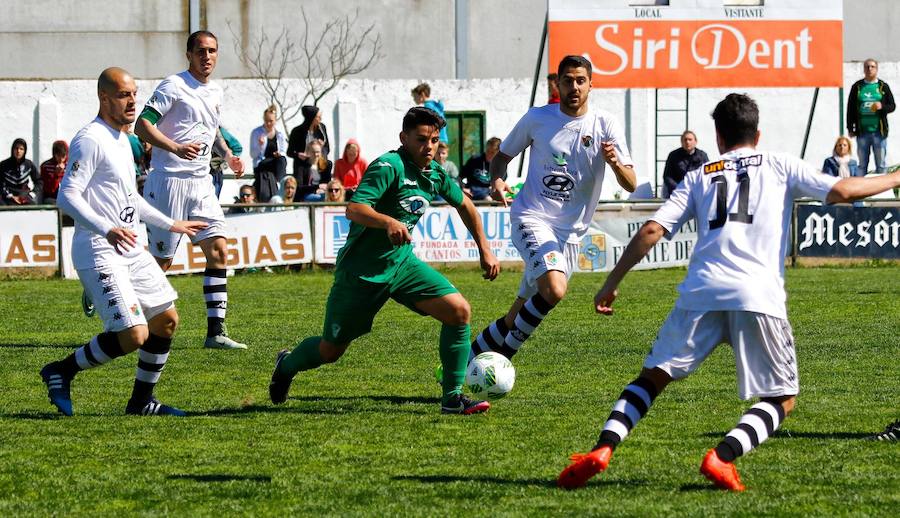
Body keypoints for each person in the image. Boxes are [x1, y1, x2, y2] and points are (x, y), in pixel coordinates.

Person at [557, 93, 900, 492]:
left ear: (718, 137)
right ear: (758, 133)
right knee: (781, 399)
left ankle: (602, 449)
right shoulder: (778, 164)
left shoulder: (700, 174)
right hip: (757, 295)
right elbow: (843, 191)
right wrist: (894, 178)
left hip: (700, 292)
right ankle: (721, 457)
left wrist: (610, 283)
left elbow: (652, 230)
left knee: (650, 379)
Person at [268, 107, 501, 415]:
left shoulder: (434, 174)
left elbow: (466, 204)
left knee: (459, 312)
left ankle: (452, 398)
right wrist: (387, 221)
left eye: (433, 140)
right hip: (362, 274)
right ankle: (286, 365)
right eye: (421, 139)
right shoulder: (388, 166)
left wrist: (484, 248)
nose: (428, 147)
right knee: (330, 350)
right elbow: (355, 209)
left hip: (402, 266)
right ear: (403, 138)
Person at [40, 67, 207, 417]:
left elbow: (131, 199)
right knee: (134, 334)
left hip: (129, 247)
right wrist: (107, 229)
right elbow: (66, 197)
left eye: (134, 94)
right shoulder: (90, 138)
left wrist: (172, 223)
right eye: (123, 95)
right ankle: (61, 371)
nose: (132, 101)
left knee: (167, 320)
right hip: (99, 249)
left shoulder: (122, 140)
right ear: (104, 98)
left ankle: (142, 402)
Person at [470, 55, 636, 362]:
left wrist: (613, 163)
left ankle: (465, 360)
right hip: (531, 217)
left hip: (569, 233)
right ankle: (502, 361)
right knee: (555, 289)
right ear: (556, 83)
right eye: (567, 80)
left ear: (591, 84)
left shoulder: (605, 124)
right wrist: (496, 181)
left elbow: (630, 183)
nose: (574, 87)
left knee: (517, 314)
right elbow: (501, 157)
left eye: (580, 80)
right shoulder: (537, 118)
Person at [135, 30, 249, 350]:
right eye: (201, 51)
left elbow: (212, 131)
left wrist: (227, 156)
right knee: (161, 265)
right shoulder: (174, 85)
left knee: (219, 251)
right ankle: (114, 285)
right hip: (168, 181)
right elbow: (142, 124)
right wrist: (174, 146)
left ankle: (215, 332)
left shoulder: (216, 92)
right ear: (189, 54)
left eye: (212, 51)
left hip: (200, 183)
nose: (207, 56)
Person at [847, 59, 895, 175]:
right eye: (867, 67)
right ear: (864, 69)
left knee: (881, 164)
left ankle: (882, 191)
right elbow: (850, 108)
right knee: (862, 165)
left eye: (872, 67)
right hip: (862, 132)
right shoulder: (857, 87)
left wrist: (881, 106)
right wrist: (850, 128)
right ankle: (861, 192)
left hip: (879, 132)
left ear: (877, 69)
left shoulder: (883, 86)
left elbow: (892, 106)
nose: (870, 69)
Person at [250, 105, 288, 202]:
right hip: (261, 163)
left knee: (282, 159)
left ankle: (280, 183)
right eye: (266, 120)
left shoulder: (280, 133)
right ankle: (279, 184)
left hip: (275, 164)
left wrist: (279, 153)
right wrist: (260, 145)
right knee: (279, 161)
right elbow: (253, 155)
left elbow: (283, 151)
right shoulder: (256, 132)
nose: (268, 123)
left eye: (271, 121)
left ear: (275, 120)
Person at [662, 130, 709, 198]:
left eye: (690, 140)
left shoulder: (702, 156)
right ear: (681, 142)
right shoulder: (673, 156)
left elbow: (707, 175)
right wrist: (679, 189)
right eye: (685, 140)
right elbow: (667, 176)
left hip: (697, 192)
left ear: (695, 142)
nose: (687, 142)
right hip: (677, 192)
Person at [288, 105, 331, 176]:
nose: (320, 119)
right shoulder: (297, 131)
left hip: (318, 161)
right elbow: (289, 152)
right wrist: (298, 155)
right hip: (303, 163)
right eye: (318, 117)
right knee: (300, 167)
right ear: (311, 118)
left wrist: (322, 147)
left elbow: (327, 148)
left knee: (328, 164)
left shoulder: (322, 128)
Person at [0, 138, 41, 205]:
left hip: (24, 196)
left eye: (21, 149)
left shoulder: (29, 164)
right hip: (8, 197)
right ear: (12, 149)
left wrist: (32, 194)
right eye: (16, 148)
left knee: (33, 207)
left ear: (25, 151)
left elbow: (39, 181)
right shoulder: (3, 165)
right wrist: (10, 196)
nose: (18, 151)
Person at [209, 126, 243, 198]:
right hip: (198, 172)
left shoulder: (220, 131)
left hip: (214, 173)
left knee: (212, 200)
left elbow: (237, 148)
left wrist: (228, 160)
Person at [39, 140, 68, 204]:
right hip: (52, 198)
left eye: (63, 156)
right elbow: (49, 190)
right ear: (54, 154)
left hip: (68, 197)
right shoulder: (45, 166)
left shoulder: (71, 165)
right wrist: (56, 175)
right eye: (58, 156)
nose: (61, 159)